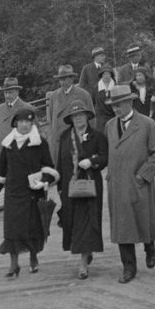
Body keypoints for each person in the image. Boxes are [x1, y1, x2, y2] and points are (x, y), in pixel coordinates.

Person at [104, 84, 155, 283]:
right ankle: (128, 267)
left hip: (139, 182)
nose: (117, 109)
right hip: (117, 184)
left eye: (120, 104)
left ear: (130, 102)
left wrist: (143, 175)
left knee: (144, 219)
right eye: (114, 105)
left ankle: (150, 246)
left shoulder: (147, 124)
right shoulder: (109, 126)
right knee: (123, 227)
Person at [0, 109, 58, 277]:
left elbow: (49, 166)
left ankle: (33, 259)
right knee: (12, 230)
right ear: (16, 124)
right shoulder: (8, 143)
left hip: (33, 192)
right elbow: (1, 168)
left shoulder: (40, 142)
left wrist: (44, 181)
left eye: (28, 122)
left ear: (32, 124)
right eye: (21, 122)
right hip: (13, 191)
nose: (25, 125)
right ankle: (14, 264)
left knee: (33, 228)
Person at [56, 100, 109, 279]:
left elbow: (105, 158)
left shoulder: (97, 136)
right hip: (69, 186)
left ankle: (83, 264)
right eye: (75, 115)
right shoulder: (64, 137)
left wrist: (92, 162)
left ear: (87, 116)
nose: (78, 118)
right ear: (71, 118)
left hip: (90, 184)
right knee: (72, 222)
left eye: (81, 114)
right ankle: (86, 252)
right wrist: (59, 188)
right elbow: (59, 162)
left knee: (87, 222)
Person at [46, 65, 94, 167]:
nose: (62, 82)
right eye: (60, 79)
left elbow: (92, 119)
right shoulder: (53, 96)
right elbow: (50, 119)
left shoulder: (83, 95)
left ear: (72, 78)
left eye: (64, 79)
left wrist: (90, 141)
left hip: (76, 141)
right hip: (58, 142)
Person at [0, 77, 30, 168]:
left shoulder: (26, 108)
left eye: (10, 92)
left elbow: (35, 132)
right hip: (2, 152)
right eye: (5, 92)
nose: (7, 95)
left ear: (17, 92)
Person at [91, 63, 117, 131]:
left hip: (114, 117)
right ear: (101, 75)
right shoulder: (95, 88)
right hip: (100, 120)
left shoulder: (116, 87)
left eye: (108, 74)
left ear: (111, 75)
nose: (106, 76)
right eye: (104, 74)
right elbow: (93, 102)